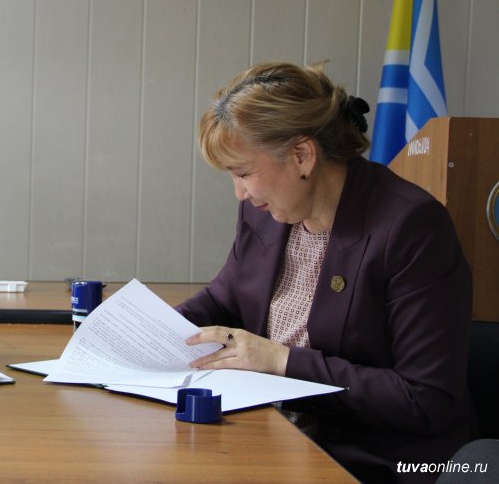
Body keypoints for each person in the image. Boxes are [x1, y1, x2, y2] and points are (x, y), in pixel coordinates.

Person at [176, 62, 473, 483]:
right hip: (274, 438)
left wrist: (280, 360)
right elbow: (224, 299)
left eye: (244, 173)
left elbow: (425, 400)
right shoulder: (264, 213)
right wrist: (154, 331)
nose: (239, 193)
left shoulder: (411, 226)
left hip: (376, 461)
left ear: (302, 155)